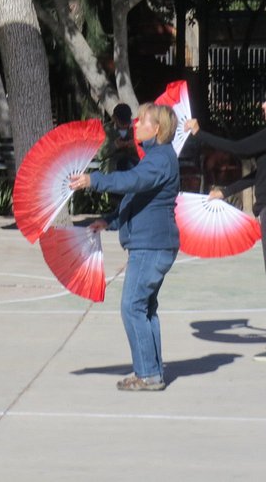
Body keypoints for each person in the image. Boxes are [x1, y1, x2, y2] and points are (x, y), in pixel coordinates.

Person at [185, 84, 266, 362]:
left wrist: (199, 133)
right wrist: (225, 191)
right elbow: (260, 175)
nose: (263, 105)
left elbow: (239, 148)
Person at [69, 103, 180, 391]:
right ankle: (152, 371)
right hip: (154, 244)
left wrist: (93, 180)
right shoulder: (156, 158)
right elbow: (138, 200)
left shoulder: (159, 160)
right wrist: (109, 221)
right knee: (146, 309)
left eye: (142, 121)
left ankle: (148, 375)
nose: (135, 125)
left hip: (151, 246)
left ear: (156, 129)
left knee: (132, 307)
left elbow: (132, 181)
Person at [105, 103, 140, 173]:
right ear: (114, 118)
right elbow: (100, 154)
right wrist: (115, 146)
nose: (124, 126)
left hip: (135, 165)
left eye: (126, 122)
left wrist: (135, 146)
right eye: (121, 123)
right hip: (113, 166)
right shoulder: (106, 130)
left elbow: (148, 150)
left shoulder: (138, 127)